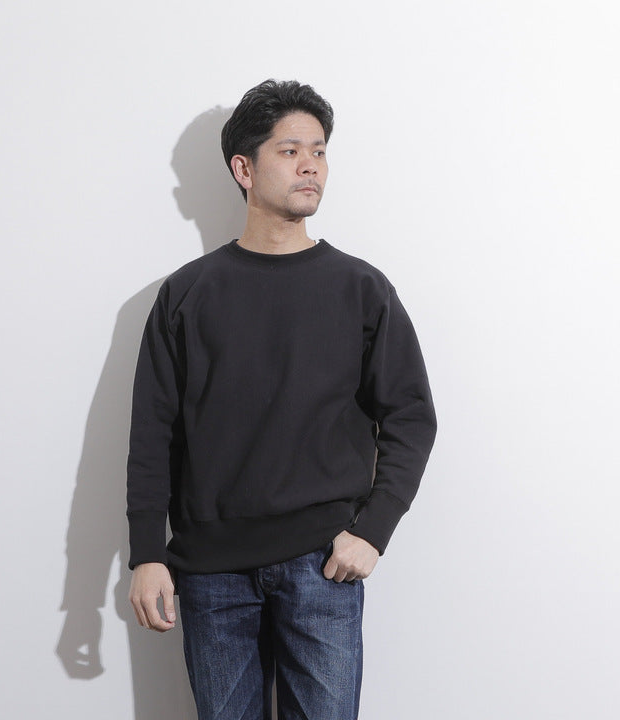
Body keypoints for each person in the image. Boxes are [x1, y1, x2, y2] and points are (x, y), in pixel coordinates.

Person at [127, 79, 437, 720]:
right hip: (211, 572)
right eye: (290, 151)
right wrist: (147, 553)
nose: (310, 166)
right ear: (244, 169)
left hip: (322, 564)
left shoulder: (361, 289)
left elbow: (410, 416)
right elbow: (153, 433)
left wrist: (373, 531)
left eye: (319, 152)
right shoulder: (187, 295)